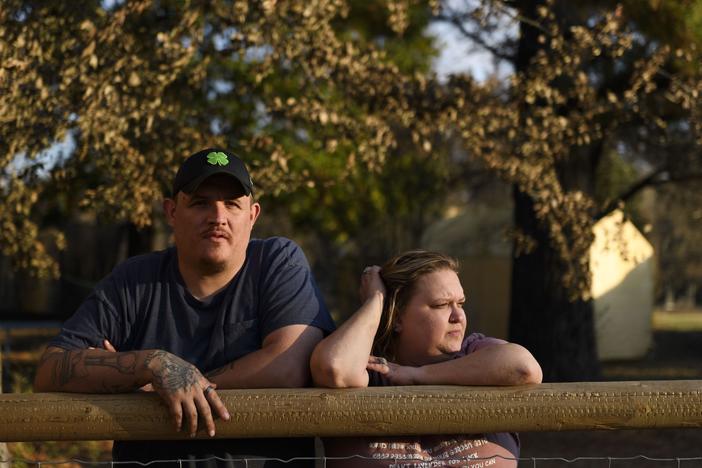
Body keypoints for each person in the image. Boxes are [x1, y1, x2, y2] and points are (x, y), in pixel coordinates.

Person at [34, 148, 335, 467]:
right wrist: (152, 364)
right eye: (200, 202)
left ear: (252, 216)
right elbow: (50, 370)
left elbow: (288, 366)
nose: (218, 217)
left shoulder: (277, 262)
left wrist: (166, 386)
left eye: (232, 204)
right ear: (172, 212)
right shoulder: (135, 280)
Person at [310, 250, 543, 468]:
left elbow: (523, 368)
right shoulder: (369, 370)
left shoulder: (475, 351)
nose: (458, 316)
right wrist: (376, 301)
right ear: (397, 318)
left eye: (460, 304)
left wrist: (418, 376)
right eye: (441, 305)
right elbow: (334, 368)